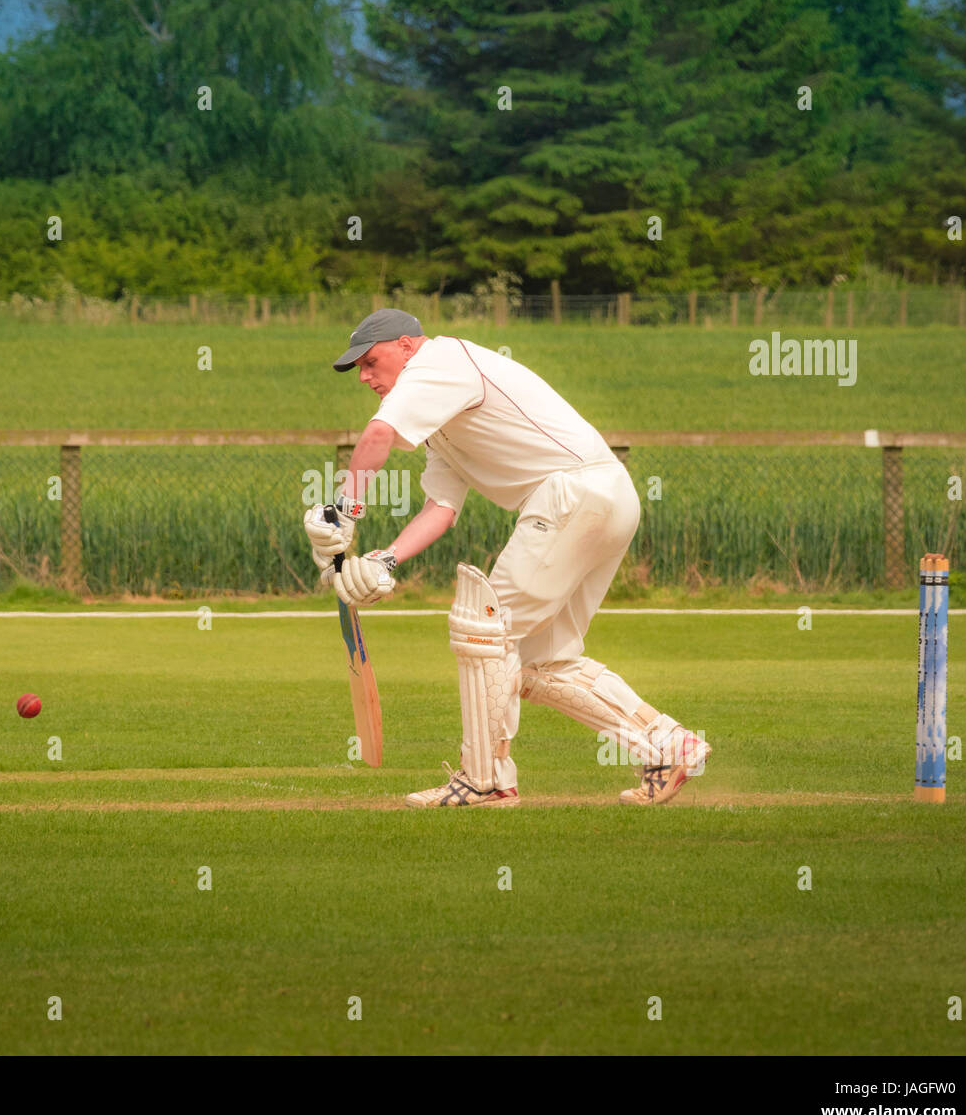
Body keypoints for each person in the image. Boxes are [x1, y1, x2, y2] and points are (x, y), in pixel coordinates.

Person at [303, 308, 710, 808]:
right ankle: (670, 746)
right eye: (359, 368)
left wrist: (344, 511)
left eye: (371, 361)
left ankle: (485, 780)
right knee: (540, 661)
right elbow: (442, 509)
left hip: (572, 495)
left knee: (483, 628)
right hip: (606, 497)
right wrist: (385, 560)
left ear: (408, 345)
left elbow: (376, 437)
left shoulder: (439, 362)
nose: (365, 376)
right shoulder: (441, 418)